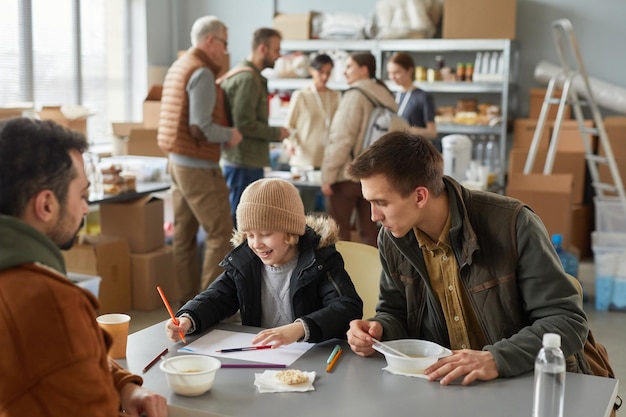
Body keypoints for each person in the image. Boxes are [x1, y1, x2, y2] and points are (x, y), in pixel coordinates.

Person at [345, 131, 611, 386]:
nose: (373, 217)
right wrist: (378, 330)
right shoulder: (393, 238)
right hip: (449, 387)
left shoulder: (513, 224)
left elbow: (566, 321)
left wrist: (497, 358)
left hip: (526, 381)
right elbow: (396, 313)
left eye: (381, 202)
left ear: (419, 196)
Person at [0, 117, 167, 416]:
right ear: (47, 205)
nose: (85, 209)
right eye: (81, 195)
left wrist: (122, 385)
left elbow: (58, 362)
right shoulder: (48, 302)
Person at [165, 178, 363, 347]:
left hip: (312, 359)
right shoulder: (246, 263)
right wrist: (187, 318)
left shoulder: (319, 260)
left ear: (290, 231)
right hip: (261, 357)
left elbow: (347, 306)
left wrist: (298, 329)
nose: (256, 244)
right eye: (249, 235)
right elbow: (216, 297)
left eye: (266, 234)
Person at [157, 16, 243, 300]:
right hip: (198, 166)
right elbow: (200, 126)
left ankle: (186, 306)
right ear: (210, 41)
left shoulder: (179, 66)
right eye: (224, 43)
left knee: (183, 237)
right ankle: (209, 307)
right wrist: (229, 134)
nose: (225, 50)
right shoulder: (202, 72)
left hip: (177, 161)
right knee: (220, 234)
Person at [321, 52, 398, 247]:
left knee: (338, 234)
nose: (345, 71)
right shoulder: (384, 95)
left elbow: (342, 138)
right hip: (375, 175)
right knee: (372, 232)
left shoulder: (355, 95)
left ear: (364, 69)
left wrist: (327, 175)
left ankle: (342, 276)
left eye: (349, 66)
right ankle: (374, 276)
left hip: (347, 175)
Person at [220, 28, 290, 226]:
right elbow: (245, 124)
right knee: (243, 221)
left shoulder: (249, 75)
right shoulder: (248, 79)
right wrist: (277, 133)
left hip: (246, 160)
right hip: (243, 162)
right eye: (276, 50)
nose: (278, 56)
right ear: (262, 48)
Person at [284, 53, 340, 213]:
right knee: (302, 211)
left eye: (328, 73)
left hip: (327, 162)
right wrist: (289, 144)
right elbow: (289, 127)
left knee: (329, 213)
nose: (324, 77)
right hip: (304, 161)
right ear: (311, 70)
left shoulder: (336, 96)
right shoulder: (301, 95)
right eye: (321, 72)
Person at [386, 52, 437, 139]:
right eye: (390, 73)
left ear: (409, 70)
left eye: (396, 72)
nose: (392, 77)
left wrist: (407, 130)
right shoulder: (391, 95)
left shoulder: (423, 97)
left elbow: (432, 132)